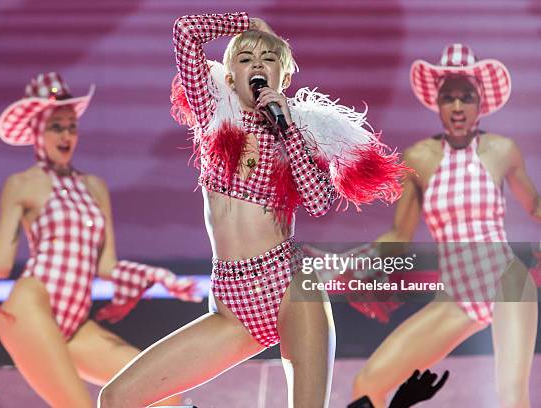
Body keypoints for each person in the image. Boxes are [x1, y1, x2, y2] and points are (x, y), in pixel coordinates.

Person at [98, 13, 406, 408]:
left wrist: (288, 131)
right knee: (116, 398)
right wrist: (249, 21)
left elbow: (318, 201)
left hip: (290, 287)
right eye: (244, 59)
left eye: (268, 59)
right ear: (229, 76)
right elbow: (186, 32)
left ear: (284, 77)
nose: (257, 65)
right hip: (232, 300)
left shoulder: (300, 132)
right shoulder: (213, 113)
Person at [0, 72, 199, 408]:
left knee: (164, 396)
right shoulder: (22, 184)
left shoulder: (94, 187)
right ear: (35, 131)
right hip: (30, 307)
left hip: (74, 323)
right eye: (56, 126)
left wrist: (162, 277)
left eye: (71, 126)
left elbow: (107, 266)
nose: (67, 135)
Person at [310, 44, 540, 407]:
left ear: (481, 102)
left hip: (505, 281)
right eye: (449, 98)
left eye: (467, 97)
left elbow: (535, 205)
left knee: (511, 397)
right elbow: (399, 237)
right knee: (368, 384)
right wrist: (346, 264)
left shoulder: (502, 150)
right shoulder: (420, 158)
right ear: (438, 103)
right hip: (457, 296)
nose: (458, 106)